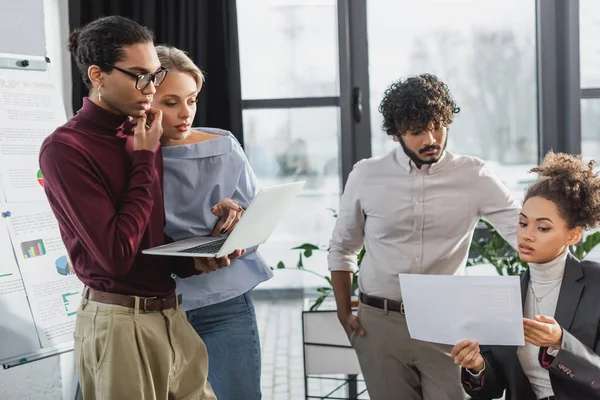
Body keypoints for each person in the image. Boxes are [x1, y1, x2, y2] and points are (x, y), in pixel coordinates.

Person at [39, 16, 242, 400]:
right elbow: (116, 255)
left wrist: (194, 259)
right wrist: (145, 158)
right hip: (118, 324)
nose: (151, 88)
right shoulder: (66, 148)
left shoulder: (139, 131)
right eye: (139, 76)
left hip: (169, 315)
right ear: (97, 75)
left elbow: (147, 236)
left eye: (154, 74)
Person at [327, 73, 521, 400]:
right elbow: (343, 247)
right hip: (380, 323)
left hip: (446, 323)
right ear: (395, 134)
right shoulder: (366, 175)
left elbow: (522, 230)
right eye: (417, 132)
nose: (431, 138)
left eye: (438, 126)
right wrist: (343, 311)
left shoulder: (474, 175)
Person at [152, 45, 272, 400]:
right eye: (170, 102)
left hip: (225, 303)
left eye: (191, 100)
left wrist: (236, 225)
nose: (184, 113)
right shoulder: (126, 156)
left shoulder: (223, 145)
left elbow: (256, 224)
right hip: (155, 308)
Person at [452, 152, 600, 400]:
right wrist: (476, 367)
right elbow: (494, 386)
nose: (527, 235)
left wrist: (560, 343)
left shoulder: (596, 284)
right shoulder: (504, 294)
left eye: (542, 227)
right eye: (522, 223)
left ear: (573, 235)